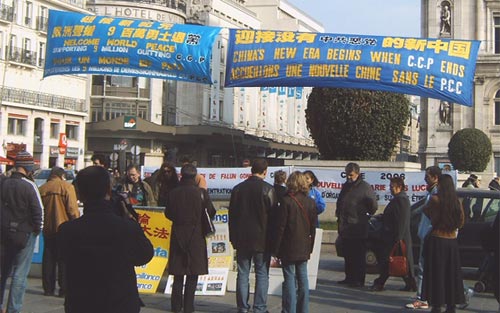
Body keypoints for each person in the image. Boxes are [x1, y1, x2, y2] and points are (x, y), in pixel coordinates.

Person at [57, 166, 154, 313]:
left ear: (79, 194)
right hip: (120, 302)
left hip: (81, 303)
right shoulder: (126, 228)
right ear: (109, 190)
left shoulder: (68, 230)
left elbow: (60, 256)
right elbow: (145, 255)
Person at [164, 164, 216, 313]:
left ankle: (175, 306)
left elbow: (168, 213)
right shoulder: (201, 193)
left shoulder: (173, 193)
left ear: (181, 175)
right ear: (195, 176)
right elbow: (211, 211)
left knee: (178, 273)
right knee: (193, 273)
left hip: (178, 234)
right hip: (196, 235)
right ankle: (188, 306)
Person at [229, 158, 277, 313]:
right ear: (265, 171)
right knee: (262, 274)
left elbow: (232, 215)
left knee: (243, 273)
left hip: (242, 237)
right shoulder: (268, 189)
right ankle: (259, 307)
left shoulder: (238, 189)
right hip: (262, 239)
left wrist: (233, 237)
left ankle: (242, 307)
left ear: (251, 170)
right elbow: (274, 217)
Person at [0, 151, 43, 313]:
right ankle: (14, 308)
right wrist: (37, 230)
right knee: (19, 273)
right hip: (24, 233)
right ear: (28, 167)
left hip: (4, 233)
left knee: (3, 272)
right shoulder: (29, 185)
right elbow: (38, 210)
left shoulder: (3, 183)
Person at [271, 171, 317, 313]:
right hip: (304, 245)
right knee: (303, 278)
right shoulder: (310, 202)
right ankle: (303, 309)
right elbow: (313, 227)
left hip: (288, 245)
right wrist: (311, 247)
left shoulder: (286, 201)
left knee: (289, 278)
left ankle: (289, 309)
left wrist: (276, 248)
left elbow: (281, 227)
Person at [422, 174, 465, 313]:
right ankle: (451, 305)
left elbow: (427, 212)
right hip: (451, 241)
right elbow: (461, 221)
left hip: (437, 238)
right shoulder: (457, 202)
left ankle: (437, 304)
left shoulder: (435, 200)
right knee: (451, 274)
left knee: (436, 273)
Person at [38, 166, 80, 298]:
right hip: (64, 227)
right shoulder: (67, 187)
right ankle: (64, 289)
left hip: (48, 228)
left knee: (48, 258)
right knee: (64, 260)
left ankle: (48, 289)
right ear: (62, 176)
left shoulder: (42, 188)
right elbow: (72, 209)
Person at [335, 162, 377, 288]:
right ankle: (349, 277)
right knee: (348, 254)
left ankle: (359, 279)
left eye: (351, 175)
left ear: (357, 174)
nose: (348, 177)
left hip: (358, 226)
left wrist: (362, 215)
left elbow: (373, 206)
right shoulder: (346, 186)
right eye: (347, 174)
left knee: (358, 255)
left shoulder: (365, 187)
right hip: (345, 226)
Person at [370, 177, 416, 292]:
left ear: (399, 187)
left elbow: (402, 220)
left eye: (392, 187)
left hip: (397, 237)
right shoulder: (398, 199)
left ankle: (380, 283)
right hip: (394, 236)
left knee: (394, 261)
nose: (390, 189)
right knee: (397, 262)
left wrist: (398, 238)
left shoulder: (401, 200)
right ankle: (410, 284)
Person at [406, 165, 441, 310]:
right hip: (427, 234)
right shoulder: (431, 192)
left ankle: (422, 298)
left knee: (424, 267)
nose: (425, 179)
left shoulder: (436, 194)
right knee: (434, 268)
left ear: (435, 177)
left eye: (427, 176)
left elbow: (430, 214)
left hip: (429, 235)